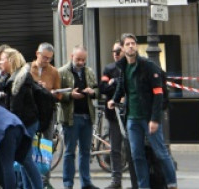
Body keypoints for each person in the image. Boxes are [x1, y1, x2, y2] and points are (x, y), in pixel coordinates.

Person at [108, 34, 177, 189]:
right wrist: (114, 99)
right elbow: (122, 85)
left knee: (160, 152)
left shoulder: (148, 65)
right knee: (136, 155)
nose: (131, 46)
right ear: (123, 47)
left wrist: (155, 119)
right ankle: (143, 186)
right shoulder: (123, 66)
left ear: (137, 46)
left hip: (148, 118)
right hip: (132, 118)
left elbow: (158, 94)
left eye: (133, 43)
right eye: (128, 44)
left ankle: (172, 184)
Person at [0, 48, 45, 189]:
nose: (0, 62)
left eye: (3, 59)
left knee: (25, 159)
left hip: (25, 123)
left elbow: (15, 108)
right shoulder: (18, 76)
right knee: (25, 159)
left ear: (11, 60)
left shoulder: (18, 80)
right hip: (27, 122)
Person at [59, 45, 99, 189]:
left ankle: (86, 183)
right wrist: (70, 95)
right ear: (72, 56)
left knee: (85, 152)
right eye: (78, 59)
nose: (81, 62)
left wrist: (92, 92)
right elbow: (56, 94)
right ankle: (68, 184)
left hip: (87, 117)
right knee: (70, 152)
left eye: (83, 59)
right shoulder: (62, 72)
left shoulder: (88, 71)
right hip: (71, 117)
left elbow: (97, 89)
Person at [99, 42, 125, 189]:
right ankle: (116, 180)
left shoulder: (128, 67)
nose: (115, 53)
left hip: (129, 113)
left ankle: (138, 180)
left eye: (118, 51)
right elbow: (103, 88)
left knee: (133, 148)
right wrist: (115, 82)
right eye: (113, 51)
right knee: (115, 148)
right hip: (113, 114)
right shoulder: (109, 69)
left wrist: (113, 82)